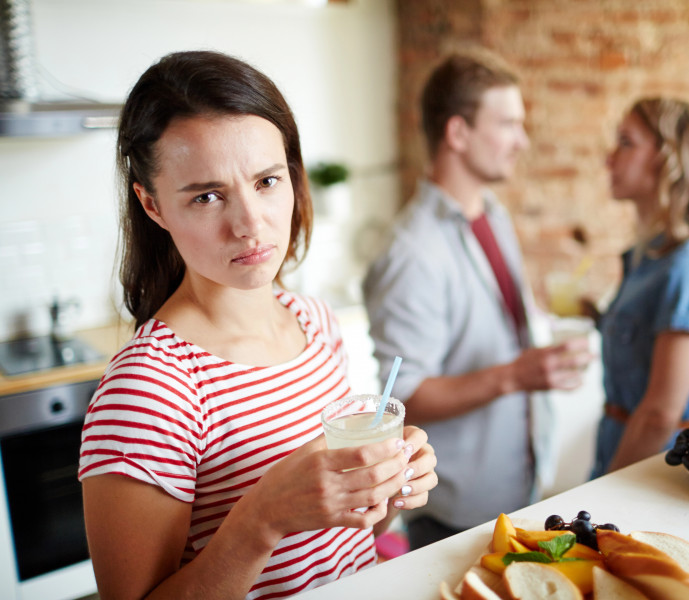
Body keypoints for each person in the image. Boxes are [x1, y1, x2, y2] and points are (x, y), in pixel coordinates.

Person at [78, 50, 437, 599]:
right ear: (152, 206)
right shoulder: (149, 389)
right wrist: (261, 520)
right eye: (207, 196)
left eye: (267, 181)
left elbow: (339, 550)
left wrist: (383, 489)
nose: (250, 224)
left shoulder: (315, 323)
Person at [363, 49, 592, 550]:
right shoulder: (410, 253)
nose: (522, 141)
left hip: (518, 485)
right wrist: (517, 374)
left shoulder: (494, 213)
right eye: (508, 123)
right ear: (458, 133)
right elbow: (408, 396)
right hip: (455, 516)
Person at [591, 97, 689, 477]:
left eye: (626, 142)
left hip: (650, 471)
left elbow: (659, 415)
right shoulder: (646, 259)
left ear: (669, 159)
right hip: (619, 451)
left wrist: (602, 496)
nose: (609, 159)